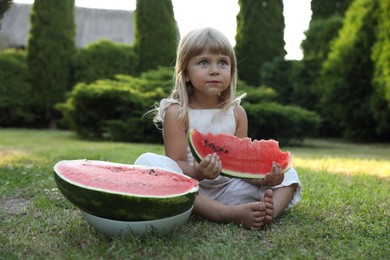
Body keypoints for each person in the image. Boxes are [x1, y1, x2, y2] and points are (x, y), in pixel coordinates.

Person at [135, 27, 301, 230]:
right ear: (186, 73)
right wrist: (198, 171)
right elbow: (176, 162)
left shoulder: (237, 113)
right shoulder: (177, 112)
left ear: (231, 71)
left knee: (289, 173)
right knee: (146, 162)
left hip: (231, 189)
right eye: (203, 62)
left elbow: (242, 165)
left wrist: (266, 178)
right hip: (192, 188)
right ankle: (225, 214)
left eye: (223, 62)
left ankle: (268, 212)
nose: (214, 69)